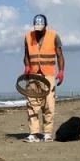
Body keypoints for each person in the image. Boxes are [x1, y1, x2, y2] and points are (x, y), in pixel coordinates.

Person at [22, 14, 64, 143]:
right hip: (33, 75)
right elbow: (26, 55)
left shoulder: (54, 36)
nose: (38, 31)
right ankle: (33, 134)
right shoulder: (28, 36)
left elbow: (60, 55)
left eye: (41, 28)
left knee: (49, 105)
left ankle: (47, 133)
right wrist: (27, 67)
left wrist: (61, 71)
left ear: (46, 26)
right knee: (32, 104)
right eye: (37, 28)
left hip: (49, 75)